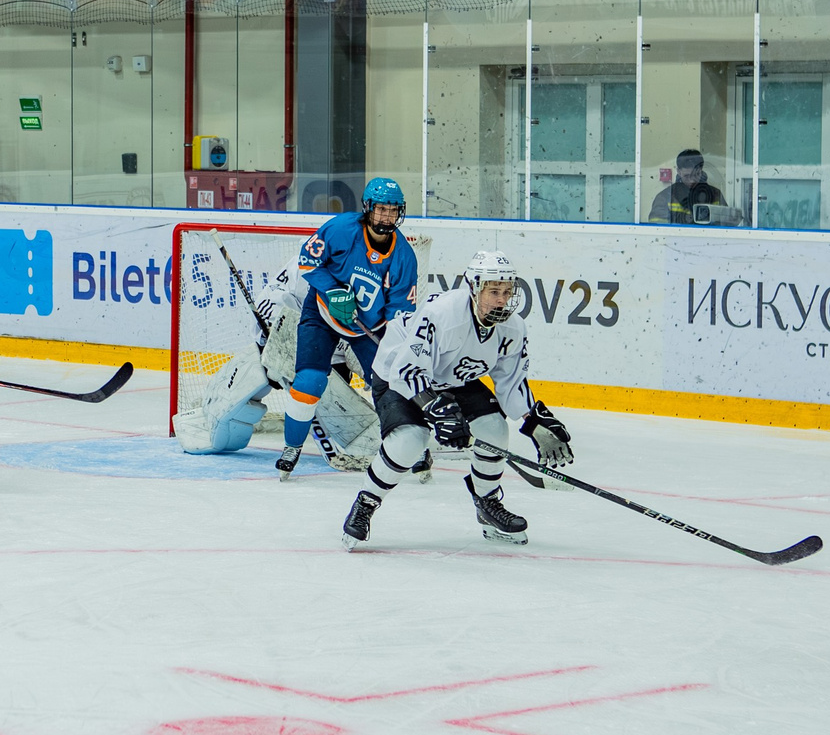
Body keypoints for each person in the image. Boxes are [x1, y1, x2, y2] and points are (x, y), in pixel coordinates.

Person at [341, 250, 573, 549]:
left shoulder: (513, 328)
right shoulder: (443, 315)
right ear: (474, 288)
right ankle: (365, 505)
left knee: (494, 428)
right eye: (493, 291)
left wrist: (533, 421)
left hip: (453, 379)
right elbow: (406, 369)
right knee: (411, 439)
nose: (502, 300)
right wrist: (437, 410)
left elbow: (511, 380)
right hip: (398, 376)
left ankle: (487, 504)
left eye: (507, 291)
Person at [178, 255, 380, 469]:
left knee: (338, 390)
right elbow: (269, 303)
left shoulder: (371, 275)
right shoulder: (308, 265)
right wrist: (277, 335)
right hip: (290, 340)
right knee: (260, 370)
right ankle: (217, 414)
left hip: (332, 352)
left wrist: (373, 372)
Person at [281, 176, 417, 479]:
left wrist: (394, 348)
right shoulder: (341, 229)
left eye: (393, 210)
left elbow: (399, 314)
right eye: (381, 209)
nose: (386, 216)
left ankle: (410, 446)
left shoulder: (404, 256)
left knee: (391, 388)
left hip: (367, 327)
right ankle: (292, 447)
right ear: (368, 208)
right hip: (323, 313)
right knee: (310, 380)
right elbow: (308, 260)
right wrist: (330, 290)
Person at [646, 149, 727, 226]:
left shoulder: (716, 195)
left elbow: (727, 225)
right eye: (687, 176)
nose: (692, 181)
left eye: (696, 175)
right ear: (678, 171)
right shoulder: (664, 197)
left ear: (701, 170)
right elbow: (658, 230)